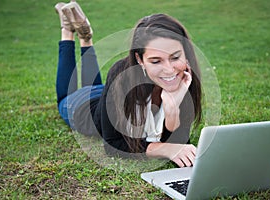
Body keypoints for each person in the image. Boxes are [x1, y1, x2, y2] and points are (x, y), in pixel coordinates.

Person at [54, 0, 202, 168]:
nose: (169, 70)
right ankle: (67, 31)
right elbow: (113, 144)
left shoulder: (184, 77)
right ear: (140, 59)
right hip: (82, 106)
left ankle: (86, 37)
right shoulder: (121, 75)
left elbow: (179, 142)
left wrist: (173, 109)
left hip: (107, 93)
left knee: (97, 87)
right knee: (64, 97)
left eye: (175, 57)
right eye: (156, 61)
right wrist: (165, 149)